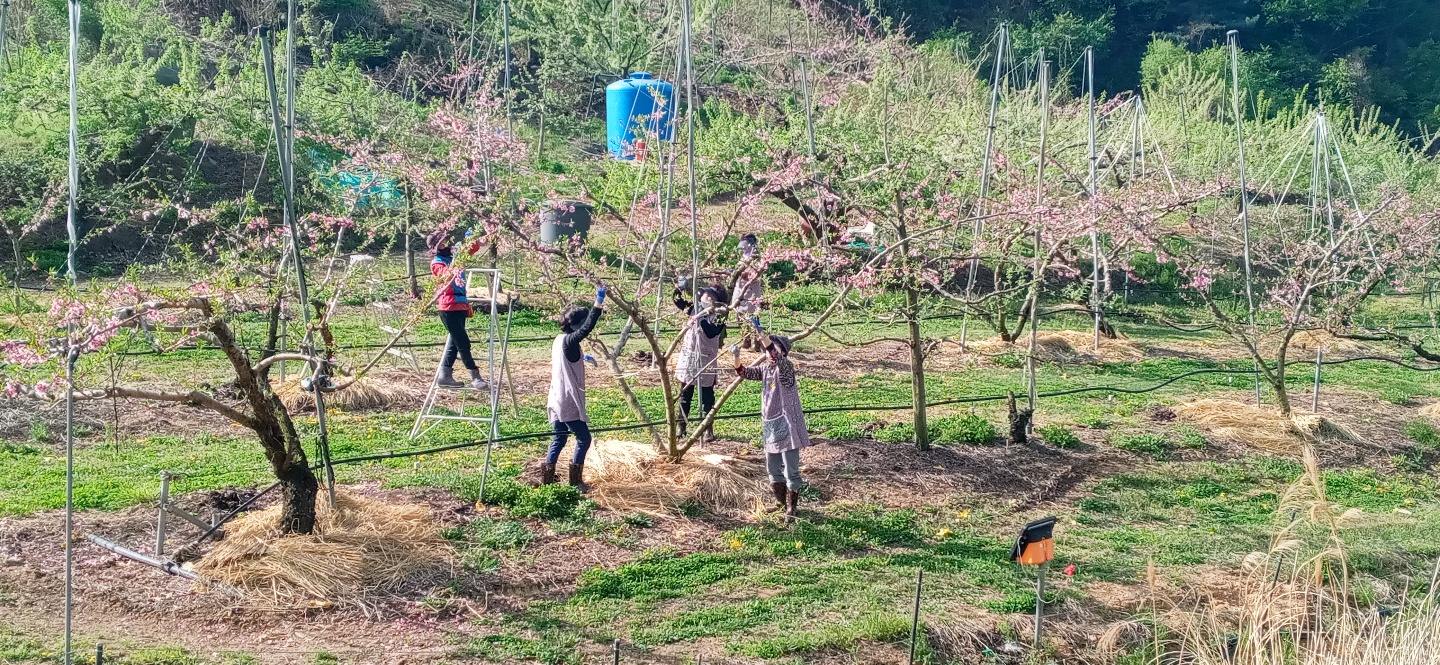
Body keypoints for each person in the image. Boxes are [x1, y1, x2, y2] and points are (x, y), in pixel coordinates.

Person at [732, 323, 810, 522]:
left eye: (774, 348)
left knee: (791, 469)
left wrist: (760, 332)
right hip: (771, 425)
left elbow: (773, 354)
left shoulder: (785, 368)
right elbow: (743, 372)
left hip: (788, 424)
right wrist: (736, 355)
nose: (769, 352)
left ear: (782, 351)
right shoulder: (765, 370)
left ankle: (792, 509)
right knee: (773, 468)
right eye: (769, 348)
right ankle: (780, 503)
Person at [544, 287, 605, 489]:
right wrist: (598, 303)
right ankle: (576, 482)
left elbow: (565, 358)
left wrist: (583, 357)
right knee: (584, 438)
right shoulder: (571, 340)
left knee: (559, 438)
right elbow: (586, 329)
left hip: (556, 396)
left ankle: (548, 478)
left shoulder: (559, 339)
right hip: (567, 399)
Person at [430, 237, 486, 390]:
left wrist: (476, 240)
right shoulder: (437, 263)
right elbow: (446, 276)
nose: (447, 244)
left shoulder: (453, 257)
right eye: (442, 243)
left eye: (447, 241)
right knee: (463, 342)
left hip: (461, 305)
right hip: (448, 307)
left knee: (454, 344)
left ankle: (444, 375)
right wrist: (456, 260)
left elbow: (470, 249)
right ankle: (474, 375)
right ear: (436, 247)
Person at [675, 284, 726, 441]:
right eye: (705, 294)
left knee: (707, 396)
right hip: (689, 357)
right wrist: (679, 287)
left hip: (706, 358)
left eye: (710, 295)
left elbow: (711, 332)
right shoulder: (694, 308)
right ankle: (681, 425)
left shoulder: (720, 314)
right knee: (685, 393)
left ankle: (707, 428)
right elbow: (677, 301)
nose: (706, 296)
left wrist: (700, 316)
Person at [731, 234, 764, 350]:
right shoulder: (743, 256)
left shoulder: (756, 257)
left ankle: (757, 343)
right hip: (740, 291)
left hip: (751, 292)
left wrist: (748, 276)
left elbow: (758, 274)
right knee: (740, 317)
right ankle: (746, 340)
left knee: (753, 318)